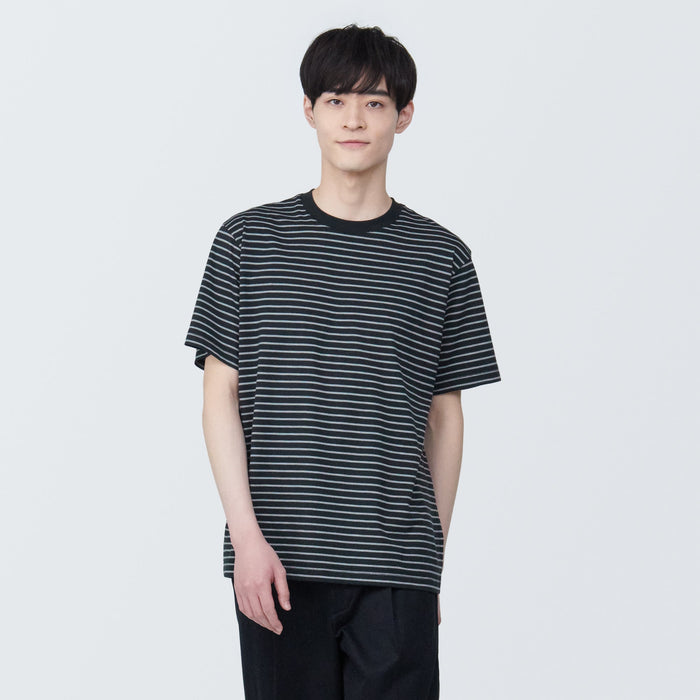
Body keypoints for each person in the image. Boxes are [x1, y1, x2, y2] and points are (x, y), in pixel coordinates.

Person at [184, 23, 501, 700]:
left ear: (404, 115)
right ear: (309, 110)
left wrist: (429, 561)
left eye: (374, 102)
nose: (354, 119)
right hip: (279, 560)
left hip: (397, 566)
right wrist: (246, 538)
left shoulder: (441, 257)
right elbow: (219, 398)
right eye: (335, 100)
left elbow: (446, 418)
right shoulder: (247, 241)